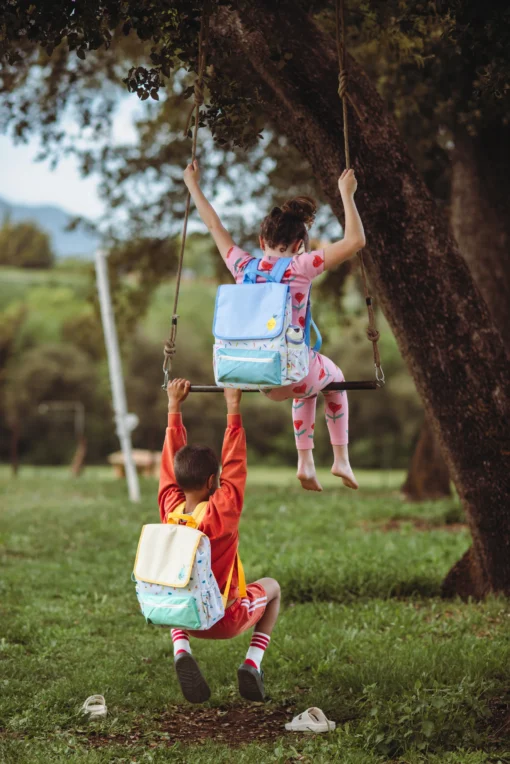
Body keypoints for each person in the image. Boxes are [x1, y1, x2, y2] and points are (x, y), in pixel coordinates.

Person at [183, 160, 365, 492]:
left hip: (257, 377)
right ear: (299, 245)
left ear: (260, 237)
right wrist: (346, 194)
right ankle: (341, 459)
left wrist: (192, 184)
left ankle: (305, 464)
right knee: (333, 378)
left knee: (305, 379)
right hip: (291, 372)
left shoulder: (242, 265)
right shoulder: (302, 265)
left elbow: (213, 225)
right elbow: (355, 241)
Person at [159, 378, 281, 703]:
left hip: (180, 616)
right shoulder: (220, 513)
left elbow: (168, 472)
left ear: (178, 479)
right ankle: (252, 663)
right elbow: (236, 467)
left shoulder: (169, 510)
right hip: (222, 618)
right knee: (273, 588)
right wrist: (233, 407)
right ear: (213, 481)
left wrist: (174, 407)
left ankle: (181, 648)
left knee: (179, 585)